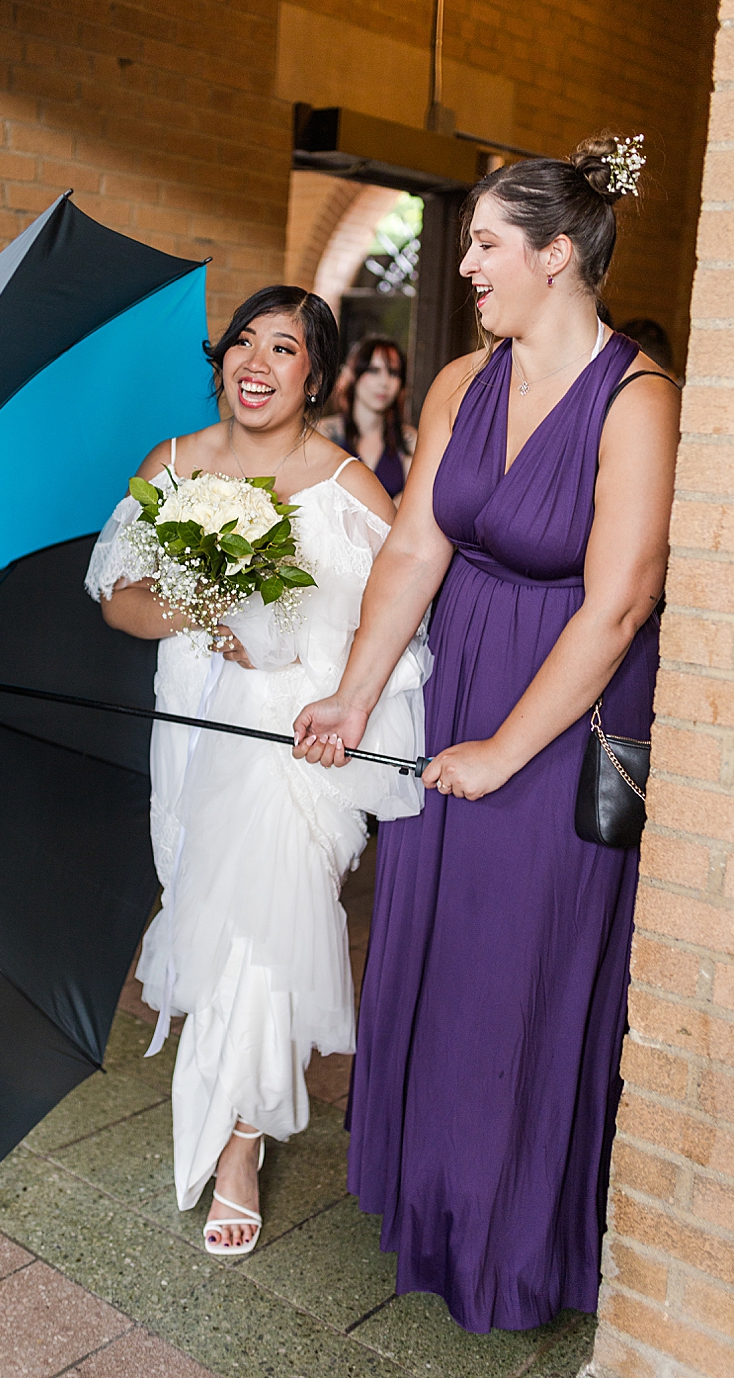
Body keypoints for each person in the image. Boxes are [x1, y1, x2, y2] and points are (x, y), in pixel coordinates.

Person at [293, 136, 678, 1331]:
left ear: (556, 256)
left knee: (520, 969)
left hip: (558, 720)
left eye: (485, 245)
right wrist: (356, 695)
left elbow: (617, 601)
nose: (464, 265)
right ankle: (431, 1207)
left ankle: (511, 1245)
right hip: (451, 686)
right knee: (433, 947)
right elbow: (414, 547)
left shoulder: (638, 401)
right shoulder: (463, 382)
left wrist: (503, 752)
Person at [86, 285, 425, 1255]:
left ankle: (239, 1148)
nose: (257, 360)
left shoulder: (348, 484)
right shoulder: (174, 464)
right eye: (244, 340)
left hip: (291, 746)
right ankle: (227, 1107)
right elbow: (119, 598)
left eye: (283, 348)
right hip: (190, 723)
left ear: (314, 376)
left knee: (262, 933)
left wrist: (312, 679)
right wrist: (201, 611)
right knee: (198, 903)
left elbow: (397, 616)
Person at [320, 336, 414, 500]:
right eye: (373, 370)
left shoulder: (409, 441)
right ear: (352, 375)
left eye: (393, 373)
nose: (384, 382)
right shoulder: (324, 433)